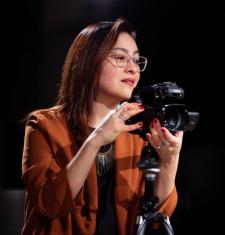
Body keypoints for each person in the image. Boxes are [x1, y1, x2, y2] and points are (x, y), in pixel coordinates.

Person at [21, 17, 183, 235]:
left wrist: (170, 159)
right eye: (120, 58)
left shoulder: (135, 132)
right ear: (89, 62)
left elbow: (156, 219)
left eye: (136, 60)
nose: (132, 69)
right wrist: (96, 139)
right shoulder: (43, 126)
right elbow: (50, 204)